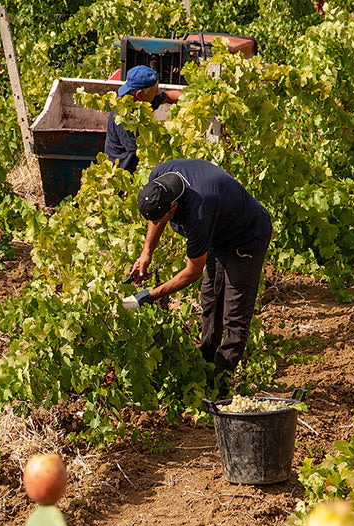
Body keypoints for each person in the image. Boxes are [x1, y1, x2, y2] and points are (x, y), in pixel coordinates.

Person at [124, 158, 273, 397]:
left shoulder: (199, 211)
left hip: (247, 238)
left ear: (173, 206)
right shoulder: (159, 178)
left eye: (163, 216)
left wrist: (148, 295)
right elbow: (156, 218)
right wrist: (146, 254)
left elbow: (192, 273)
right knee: (210, 301)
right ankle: (204, 370)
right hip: (218, 234)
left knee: (234, 315)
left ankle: (217, 389)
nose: (157, 222)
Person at [104, 65, 181, 173]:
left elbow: (168, 96)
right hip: (123, 175)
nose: (158, 93)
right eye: (154, 91)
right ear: (139, 94)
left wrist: (187, 100)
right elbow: (140, 153)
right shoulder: (123, 118)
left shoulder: (145, 101)